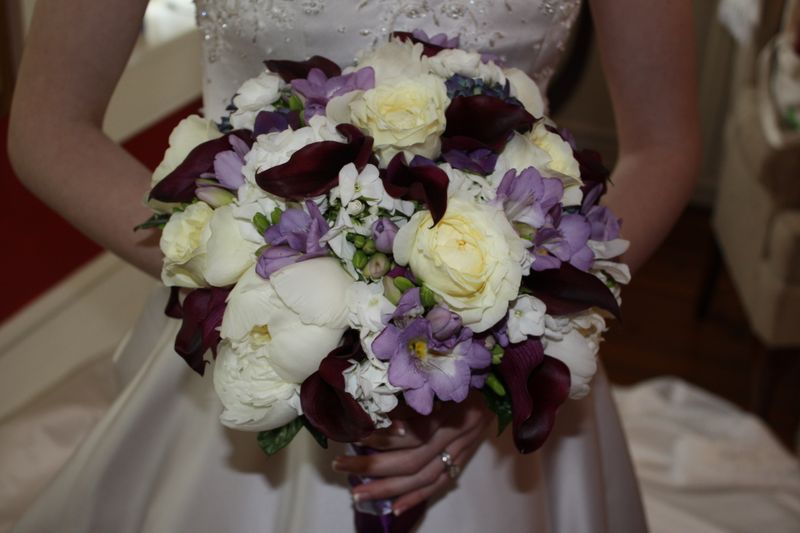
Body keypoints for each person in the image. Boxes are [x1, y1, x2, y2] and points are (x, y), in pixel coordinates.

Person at [7, 0, 700, 531]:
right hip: (249, 334)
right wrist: (240, 278)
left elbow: (662, 143)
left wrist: (507, 365)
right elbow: (49, 126)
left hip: (507, 325)